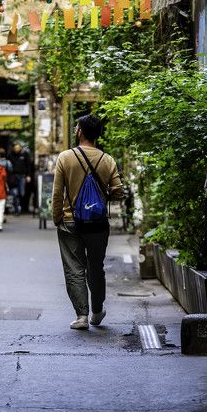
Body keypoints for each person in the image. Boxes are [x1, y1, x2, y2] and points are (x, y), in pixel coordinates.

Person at [52, 114, 124, 330]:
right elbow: (119, 192)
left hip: (69, 221)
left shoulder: (65, 158)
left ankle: (81, 316)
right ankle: (98, 310)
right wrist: (101, 198)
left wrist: (57, 217)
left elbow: (57, 193)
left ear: (80, 131)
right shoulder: (107, 160)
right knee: (96, 267)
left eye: (76, 127)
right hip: (98, 223)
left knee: (74, 268)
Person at [8, 141, 32, 215]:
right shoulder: (10, 155)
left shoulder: (25, 154)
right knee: (15, 193)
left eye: (18, 148)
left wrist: (28, 175)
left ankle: (21, 207)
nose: (16, 149)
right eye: (15, 148)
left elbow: (28, 165)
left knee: (22, 193)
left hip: (22, 176)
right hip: (14, 176)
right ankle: (17, 209)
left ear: (20, 148)